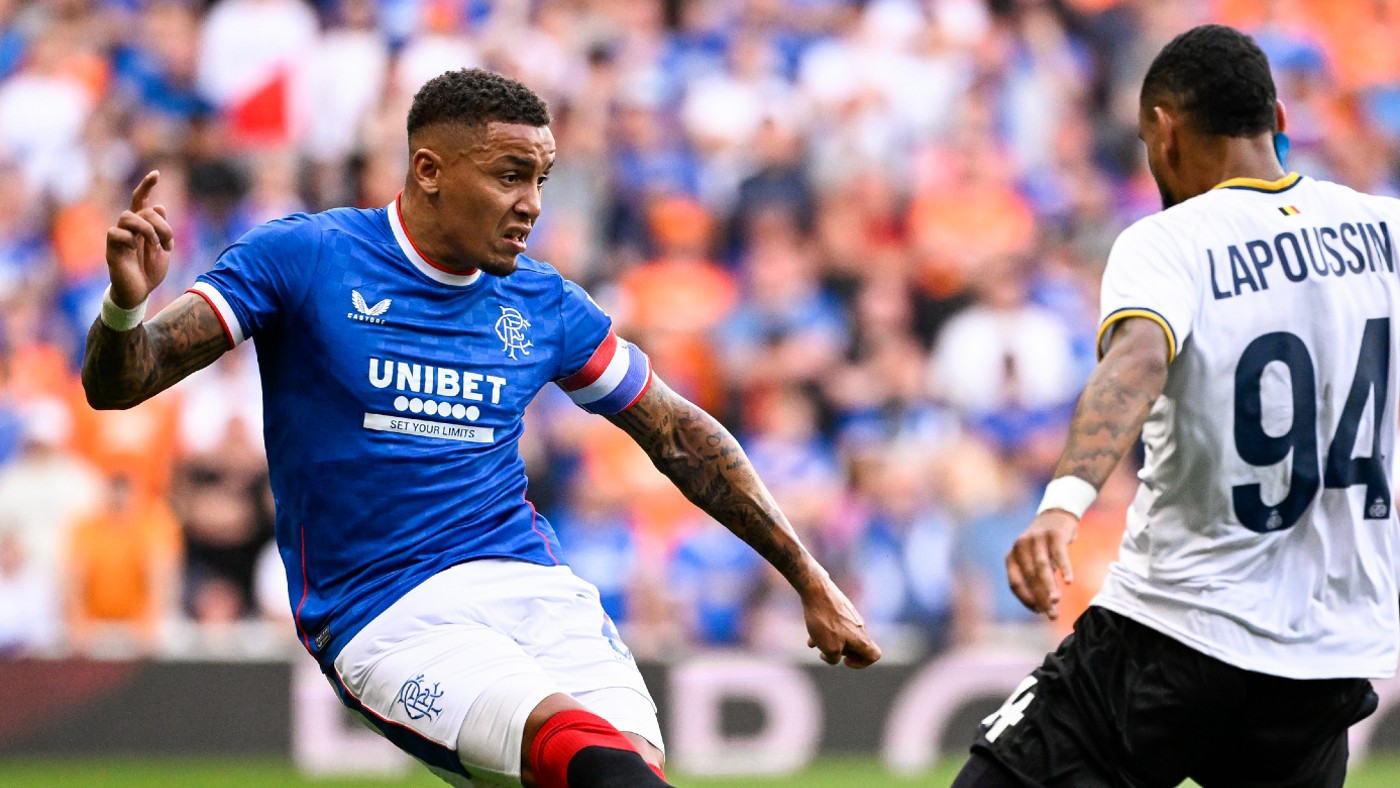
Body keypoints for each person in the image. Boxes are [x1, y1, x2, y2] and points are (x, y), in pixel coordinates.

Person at [82, 68, 880, 788]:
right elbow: (123, 383)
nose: (532, 202)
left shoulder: (543, 302)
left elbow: (676, 432)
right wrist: (125, 307)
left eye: (541, 178)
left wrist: (807, 575)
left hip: (534, 587)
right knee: (596, 766)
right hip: (386, 612)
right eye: (509, 175)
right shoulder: (307, 257)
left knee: (624, 768)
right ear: (429, 171)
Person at [953, 25, 1398, 788]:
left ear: (1164, 131)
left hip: (1176, 628)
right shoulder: (1385, 233)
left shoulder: (1168, 242)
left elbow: (1136, 361)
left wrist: (1063, 504)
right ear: (1278, 120)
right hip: (1325, 659)